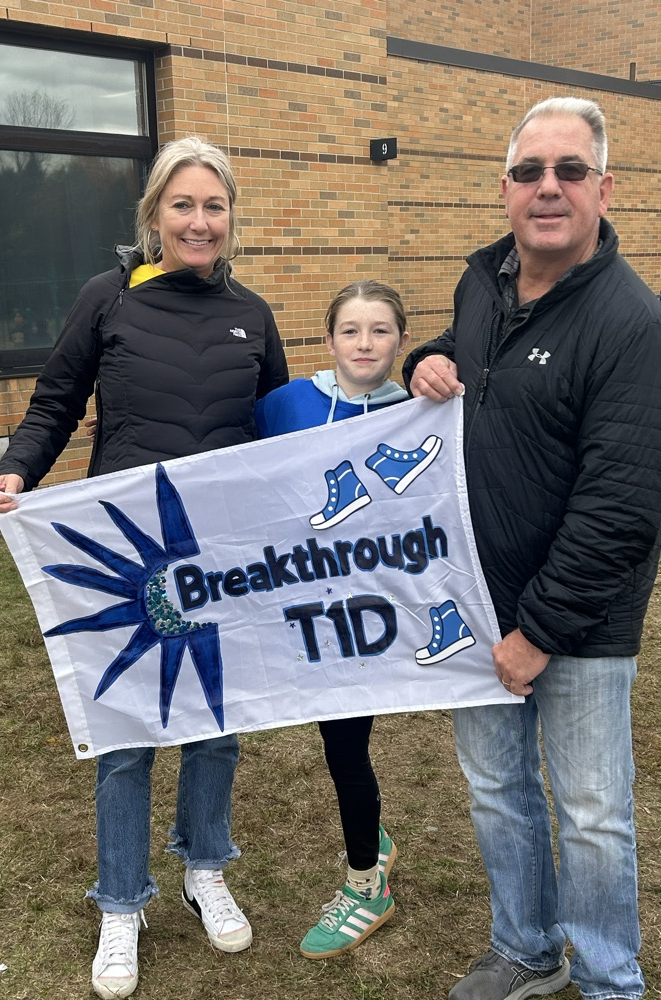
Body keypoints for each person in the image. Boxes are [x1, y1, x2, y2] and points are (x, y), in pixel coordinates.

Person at [0, 136, 288, 1000]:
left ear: (232, 218)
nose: (199, 220)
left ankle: (204, 868)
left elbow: (278, 437)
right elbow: (56, 401)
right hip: (122, 551)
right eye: (182, 205)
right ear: (154, 215)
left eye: (214, 206)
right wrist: (19, 468)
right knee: (126, 734)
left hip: (220, 553)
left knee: (216, 724)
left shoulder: (253, 314)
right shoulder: (107, 298)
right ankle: (122, 901)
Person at [404, 97, 661, 1000]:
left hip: (578, 624)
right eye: (528, 172)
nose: (547, 188)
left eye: (569, 171)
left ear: (604, 187)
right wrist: (425, 362)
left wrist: (538, 632)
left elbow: (622, 506)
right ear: (504, 188)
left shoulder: (634, 322)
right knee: (496, 792)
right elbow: (467, 362)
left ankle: (608, 980)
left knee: (593, 816)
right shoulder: (485, 282)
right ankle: (525, 947)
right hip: (475, 601)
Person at [256, 279, 409, 959]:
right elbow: (222, 472)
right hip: (312, 606)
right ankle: (370, 854)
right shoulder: (286, 404)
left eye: (380, 330)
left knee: (353, 742)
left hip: (389, 608)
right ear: (328, 340)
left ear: (402, 341)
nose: (365, 343)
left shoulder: (421, 411)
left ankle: (366, 880)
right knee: (339, 740)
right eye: (351, 330)